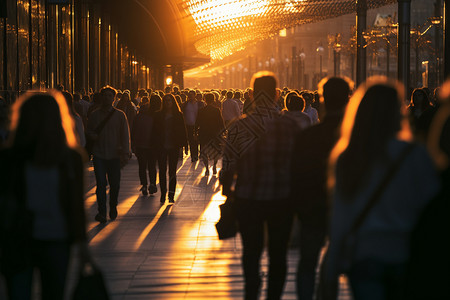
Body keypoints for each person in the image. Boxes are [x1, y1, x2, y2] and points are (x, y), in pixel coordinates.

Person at [325, 77, 440, 299]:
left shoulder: (349, 156)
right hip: (407, 252)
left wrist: (331, 269)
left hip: (365, 253)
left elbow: (341, 215)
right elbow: (430, 205)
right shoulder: (415, 154)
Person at [0, 91, 91, 300]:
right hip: (31, 237)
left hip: (38, 239)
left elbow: (75, 204)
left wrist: (81, 242)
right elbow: (76, 205)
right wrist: (81, 243)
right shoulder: (10, 159)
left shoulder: (70, 159)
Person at [221, 71, 297, 300]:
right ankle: (273, 295)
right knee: (278, 254)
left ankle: (251, 293)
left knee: (251, 253)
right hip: (282, 200)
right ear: (277, 94)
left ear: (251, 94)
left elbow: (227, 168)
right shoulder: (290, 126)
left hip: (248, 200)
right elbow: (298, 166)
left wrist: (228, 194)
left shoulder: (238, 126)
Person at [290, 76, 352, 300]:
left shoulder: (309, 136)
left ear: (322, 98)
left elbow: (295, 174)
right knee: (333, 265)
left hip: (312, 208)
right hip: (346, 210)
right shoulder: (354, 137)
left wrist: (296, 209)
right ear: (348, 97)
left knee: (307, 262)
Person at [87, 86, 131, 223]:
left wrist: (126, 152)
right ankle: (102, 212)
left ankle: (113, 206)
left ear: (114, 98)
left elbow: (125, 135)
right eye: (104, 96)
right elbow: (88, 131)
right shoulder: (94, 115)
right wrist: (92, 136)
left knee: (115, 184)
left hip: (114, 155)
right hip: (99, 154)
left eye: (109, 96)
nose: (106, 98)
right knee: (100, 184)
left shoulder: (120, 115)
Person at [154, 94, 188, 203]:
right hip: (161, 146)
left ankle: (171, 195)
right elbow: (154, 131)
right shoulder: (158, 115)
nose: (168, 102)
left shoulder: (178, 115)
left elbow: (183, 131)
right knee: (162, 171)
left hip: (173, 146)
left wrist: (184, 145)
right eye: (166, 100)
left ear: (173, 102)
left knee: (172, 171)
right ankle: (163, 193)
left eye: (170, 100)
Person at [132, 94, 161, 196]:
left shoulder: (139, 116)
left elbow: (134, 130)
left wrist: (134, 144)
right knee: (152, 166)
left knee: (142, 166)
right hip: (152, 144)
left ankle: (144, 184)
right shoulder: (156, 116)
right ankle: (152, 183)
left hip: (141, 144)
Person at [195, 92, 225, 176]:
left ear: (205, 99)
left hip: (204, 133)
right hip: (214, 133)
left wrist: (195, 132)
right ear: (213, 100)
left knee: (204, 151)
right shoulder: (216, 110)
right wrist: (223, 131)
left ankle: (207, 168)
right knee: (216, 151)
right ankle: (214, 166)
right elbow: (220, 122)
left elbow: (197, 122)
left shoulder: (201, 110)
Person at [182, 90, 203, 162]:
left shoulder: (200, 104)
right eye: (189, 95)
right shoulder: (185, 104)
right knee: (191, 141)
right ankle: (193, 156)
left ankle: (197, 154)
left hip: (197, 125)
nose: (190, 96)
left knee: (196, 141)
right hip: (188, 125)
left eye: (191, 95)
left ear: (195, 95)